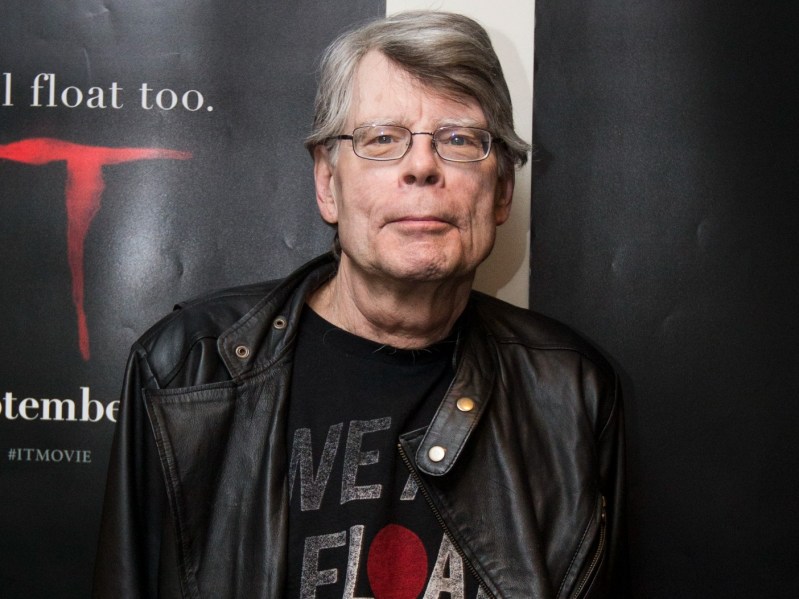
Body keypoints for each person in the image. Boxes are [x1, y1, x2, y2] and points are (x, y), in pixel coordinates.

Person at [93, 11, 625, 599]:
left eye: (458, 139)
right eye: (382, 139)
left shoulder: (570, 392)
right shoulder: (187, 373)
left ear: (501, 191)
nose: (422, 166)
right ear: (327, 182)